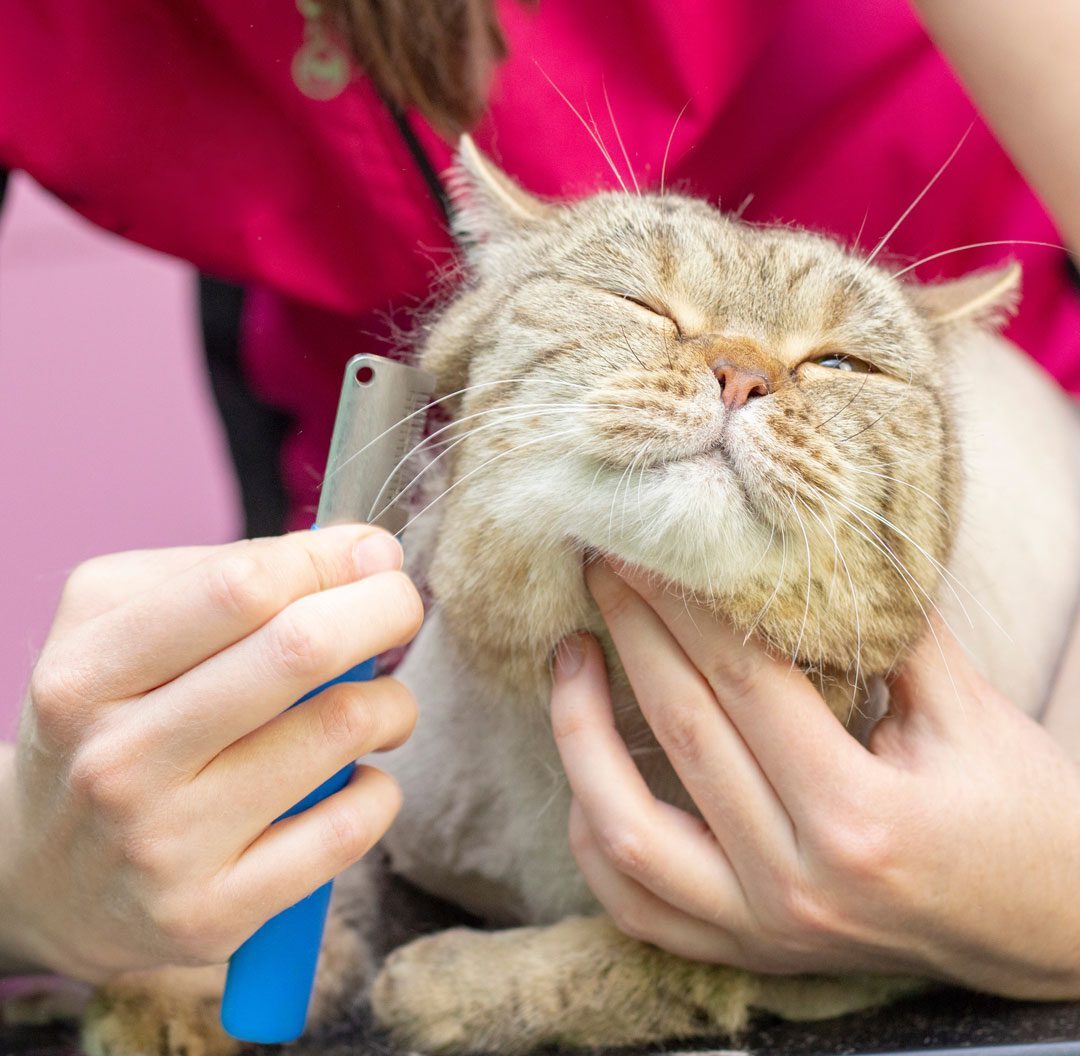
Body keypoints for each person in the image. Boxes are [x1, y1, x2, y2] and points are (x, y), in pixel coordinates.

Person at [0, 0, 1078, 997]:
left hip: (989, 531)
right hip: (442, 501)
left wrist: (1057, 880)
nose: (735, 373)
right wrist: (27, 877)